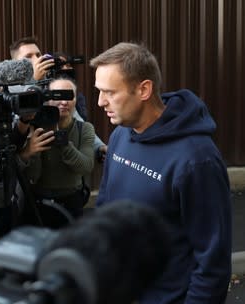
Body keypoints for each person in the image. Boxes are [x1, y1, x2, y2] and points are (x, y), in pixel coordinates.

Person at [90, 42, 231, 304]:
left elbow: (212, 263)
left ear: (144, 89)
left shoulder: (197, 160)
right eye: (99, 92)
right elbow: (105, 209)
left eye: (110, 92)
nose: (100, 102)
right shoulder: (120, 134)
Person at [18, 77, 95, 228]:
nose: (64, 102)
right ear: (46, 99)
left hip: (71, 201)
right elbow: (32, 176)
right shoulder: (32, 127)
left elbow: (85, 167)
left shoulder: (84, 128)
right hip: (38, 202)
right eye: (58, 96)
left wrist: (62, 141)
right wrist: (31, 151)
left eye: (69, 96)